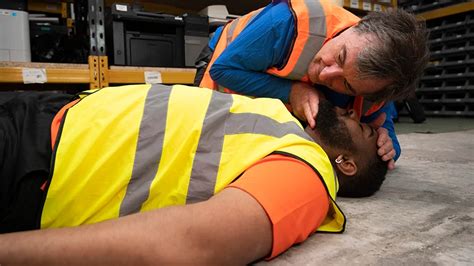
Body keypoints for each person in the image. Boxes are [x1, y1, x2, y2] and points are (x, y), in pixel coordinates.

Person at [0, 84, 387, 264]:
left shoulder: (308, 174)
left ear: (347, 164)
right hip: (50, 115)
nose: (355, 114)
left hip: (35, 160)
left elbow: (192, 245)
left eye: (365, 130)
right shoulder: (284, 121)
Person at [194, 0, 430, 170]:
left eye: (345, 83)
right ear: (356, 25)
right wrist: (292, 91)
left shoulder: (373, 87)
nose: (326, 74)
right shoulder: (288, 22)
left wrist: (388, 146)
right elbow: (223, 70)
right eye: (340, 56)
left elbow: (382, 126)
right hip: (221, 66)